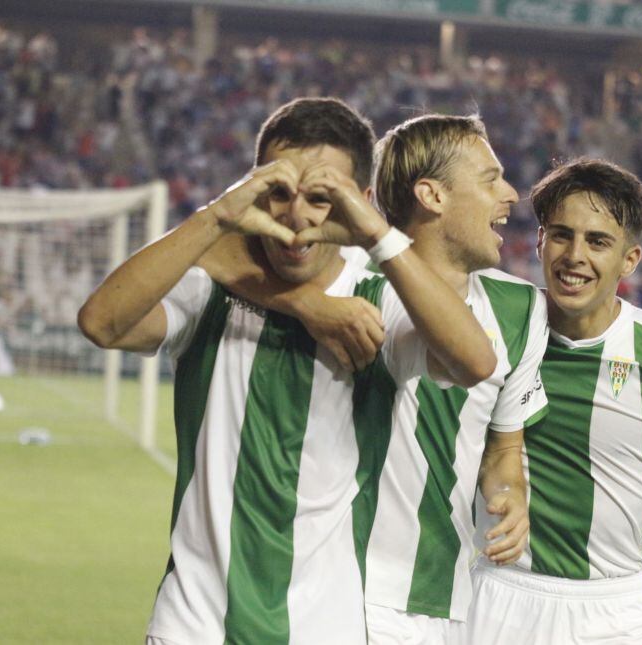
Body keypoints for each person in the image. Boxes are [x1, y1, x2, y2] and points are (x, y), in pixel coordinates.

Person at [77, 97, 496, 645]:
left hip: (326, 627)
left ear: (358, 202)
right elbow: (102, 323)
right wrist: (217, 217)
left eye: (322, 197)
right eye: (277, 191)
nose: (296, 215)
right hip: (195, 625)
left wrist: (374, 232)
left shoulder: (380, 294)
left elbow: (474, 362)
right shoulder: (212, 287)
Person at [218, 113, 549, 643]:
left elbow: (503, 443)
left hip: (447, 595)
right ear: (432, 196)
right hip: (346, 594)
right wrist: (302, 300)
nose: (510, 193)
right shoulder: (343, 273)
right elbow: (219, 247)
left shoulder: (521, 309)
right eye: (490, 179)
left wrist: (509, 490)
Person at [468, 158, 642, 644]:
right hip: (496, 598)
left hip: (612, 613)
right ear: (538, 242)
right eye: (560, 234)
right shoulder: (495, 324)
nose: (575, 255)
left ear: (630, 259)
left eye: (597, 241)